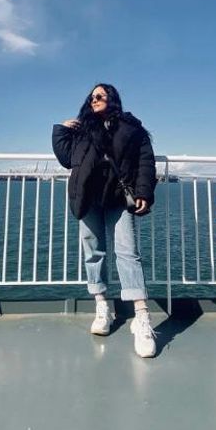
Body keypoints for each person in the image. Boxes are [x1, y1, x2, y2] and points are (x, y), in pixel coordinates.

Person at [52, 83, 159, 358]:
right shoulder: (83, 129)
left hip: (118, 197)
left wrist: (145, 191)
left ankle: (142, 316)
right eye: (92, 96)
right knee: (93, 253)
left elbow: (145, 161)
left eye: (100, 95)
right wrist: (62, 130)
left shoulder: (130, 126)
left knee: (128, 252)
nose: (95, 99)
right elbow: (66, 159)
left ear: (112, 99)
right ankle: (102, 306)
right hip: (88, 198)